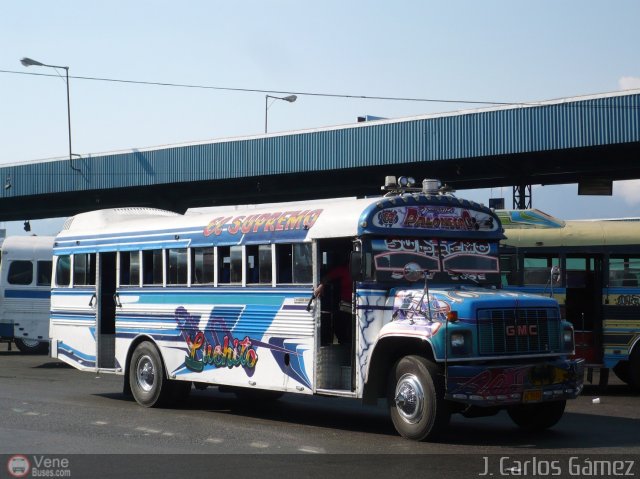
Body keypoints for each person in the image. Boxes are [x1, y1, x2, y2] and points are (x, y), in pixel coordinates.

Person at [314, 259, 352, 344]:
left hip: (359, 304)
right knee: (341, 323)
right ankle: (343, 342)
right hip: (345, 304)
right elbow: (326, 278)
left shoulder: (363, 272)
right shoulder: (343, 270)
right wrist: (321, 285)